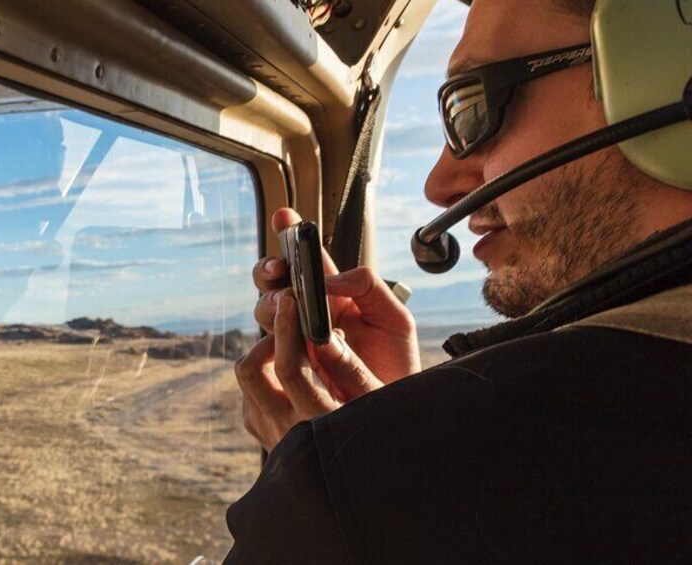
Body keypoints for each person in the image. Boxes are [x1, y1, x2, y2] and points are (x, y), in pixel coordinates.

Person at [224, 0, 692, 562]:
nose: (439, 183)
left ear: (666, 70)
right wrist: (396, 425)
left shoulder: (374, 492)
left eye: (471, 109)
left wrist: (346, 488)